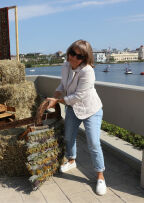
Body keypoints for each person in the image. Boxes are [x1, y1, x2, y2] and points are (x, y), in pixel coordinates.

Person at [46, 40, 106, 195]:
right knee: (68, 137)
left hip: (90, 109)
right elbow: (63, 85)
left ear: (85, 59)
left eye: (78, 56)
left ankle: (100, 176)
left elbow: (78, 96)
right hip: (73, 109)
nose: (73, 58)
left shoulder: (88, 71)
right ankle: (71, 160)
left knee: (93, 142)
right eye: (72, 53)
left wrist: (57, 101)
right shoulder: (65, 66)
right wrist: (54, 97)